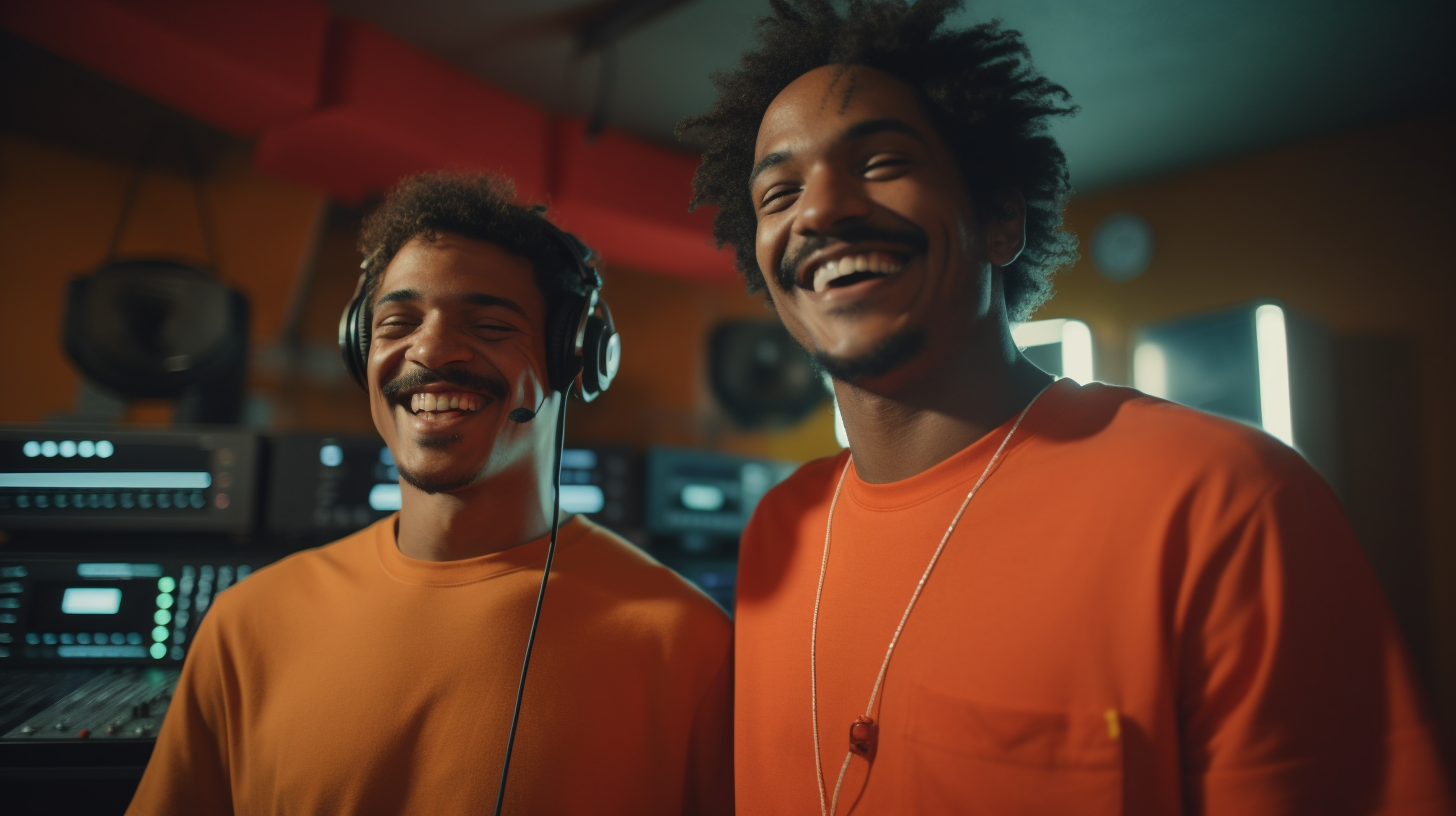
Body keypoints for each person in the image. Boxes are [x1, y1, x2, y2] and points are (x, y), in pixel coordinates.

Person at [680, 1, 1452, 813]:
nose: (819, 210)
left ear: (1001, 218)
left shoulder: (1221, 501)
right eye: (778, 192)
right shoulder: (780, 530)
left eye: (880, 162)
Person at [127, 173, 734, 816]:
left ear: (574, 356)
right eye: (399, 321)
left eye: (490, 324)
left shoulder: (687, 645)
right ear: (359, 350)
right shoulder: (247, 625)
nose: (433, 348)